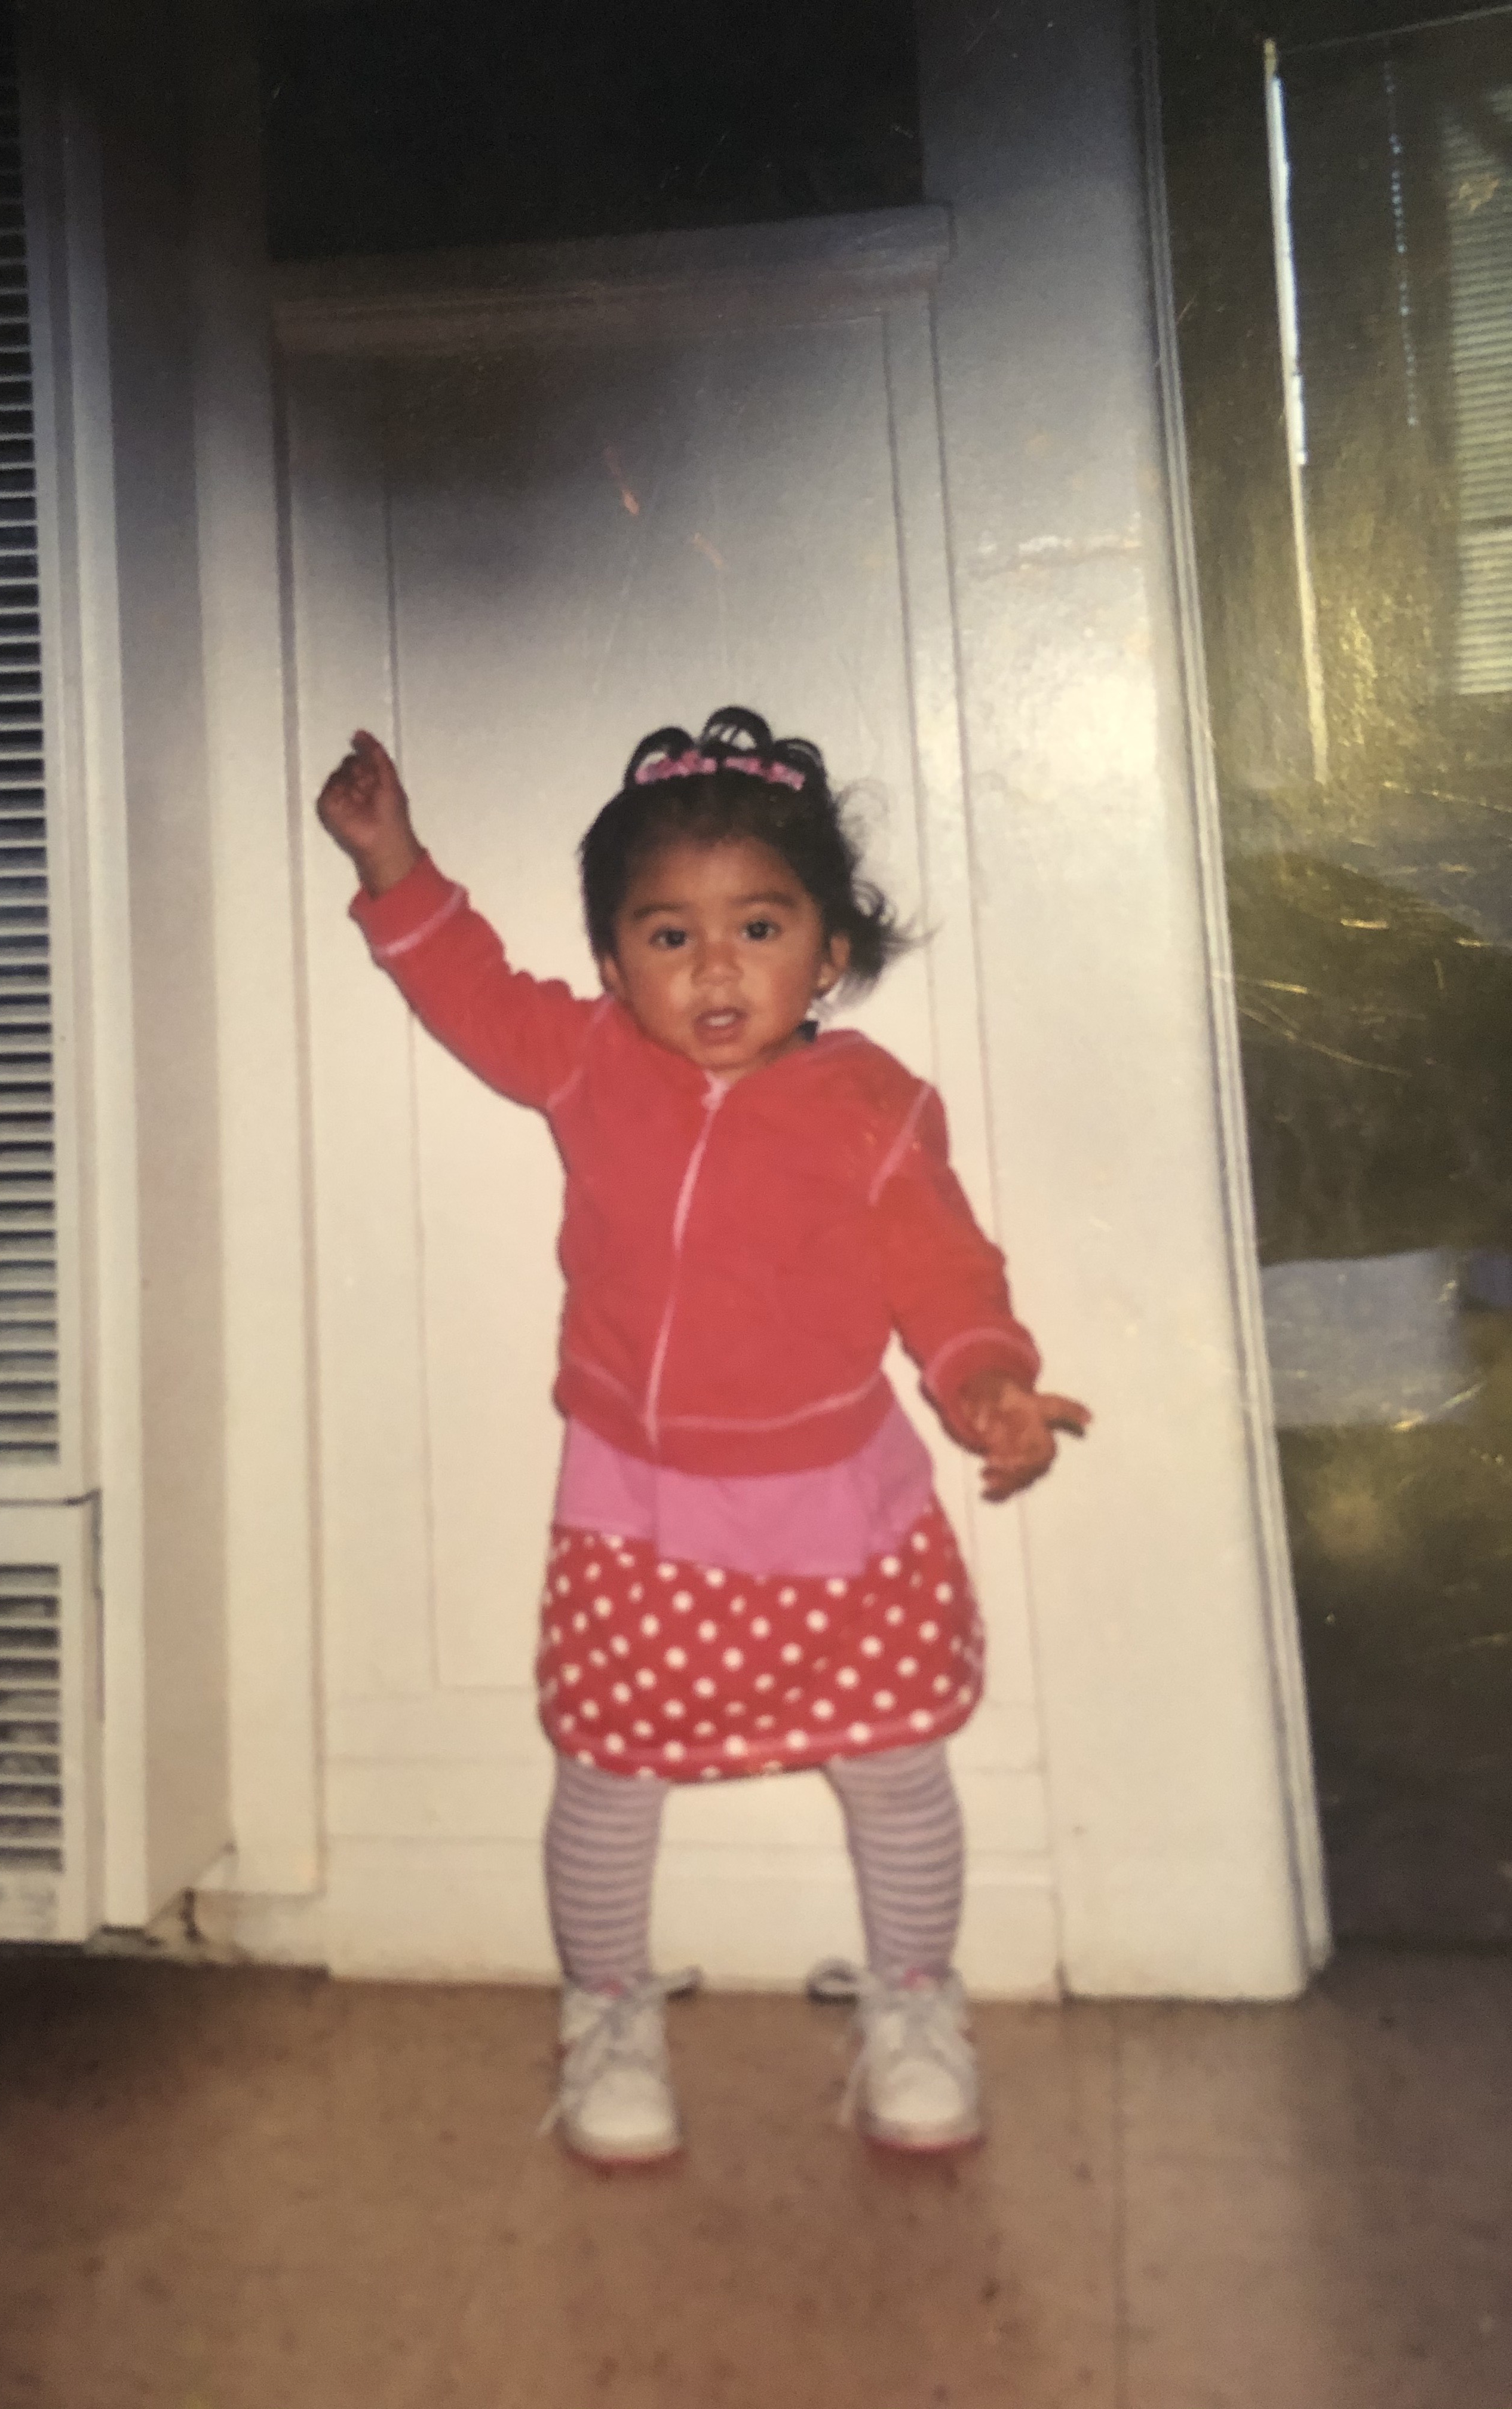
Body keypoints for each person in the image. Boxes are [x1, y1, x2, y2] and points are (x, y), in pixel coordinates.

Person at [314, 705, 1088, 2165]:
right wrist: (392, 862)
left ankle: (916, 2000)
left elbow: (947, 1274)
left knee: (896, 1763)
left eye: (758, 928)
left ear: (829, 953)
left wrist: (989, 1381)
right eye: (669, 936)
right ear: (616, 966)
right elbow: (470, 990)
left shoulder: (873, 1106)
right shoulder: (588, 1059)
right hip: (636, 1498)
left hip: (839, 1500)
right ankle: (607, 2009)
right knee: (608, 1769)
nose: (715, 967)